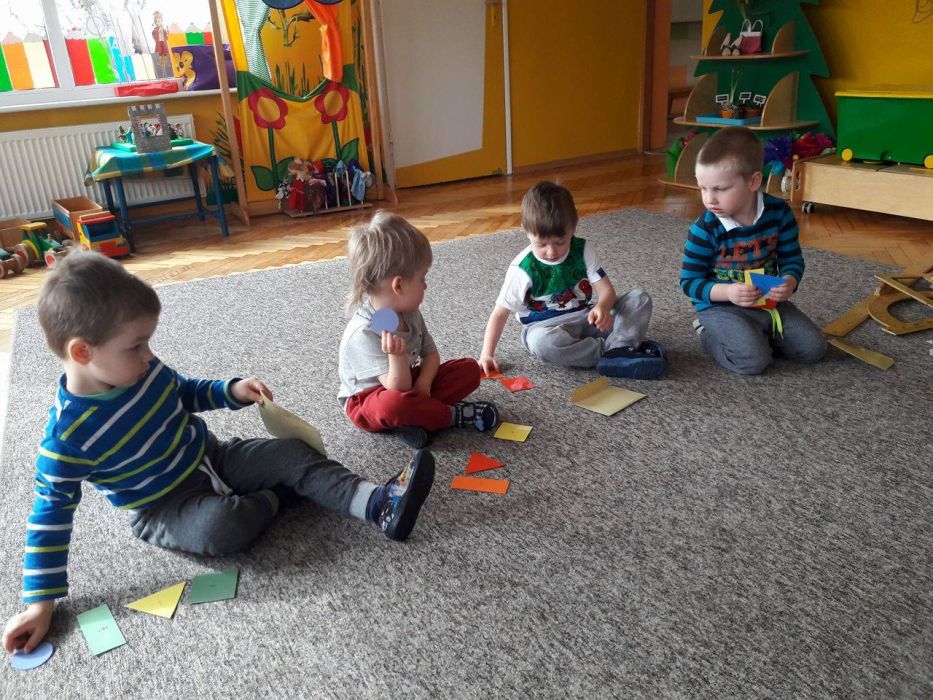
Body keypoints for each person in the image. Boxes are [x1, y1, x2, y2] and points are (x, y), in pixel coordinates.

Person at [2, 250, 435, 655]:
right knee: (223, 527)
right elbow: (49, 515)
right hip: (164, 509)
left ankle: (377, 504)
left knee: (292, 452)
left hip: (213, 457)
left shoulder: (142, 369)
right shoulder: (66, 439)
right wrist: (40, 605)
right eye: (135, 346)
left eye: (147, 343)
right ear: (82, 352)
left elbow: (184, 391)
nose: (149, 356)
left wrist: (231, 390)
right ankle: (279, 496)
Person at [338, 211, 499, 449]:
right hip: (370, 401)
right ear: (399, 285)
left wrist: (424, 385)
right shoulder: (363, 333)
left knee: (469, 370)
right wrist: (396, 356)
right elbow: (398, 388)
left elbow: (431, 355)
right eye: (422, 278)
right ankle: (449, 415)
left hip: (409, 384)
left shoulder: (409, 311)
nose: (426, 285)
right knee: (395, 405)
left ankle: (415, 419)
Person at [479, 181, 666, 379]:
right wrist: (486, 354)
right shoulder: (522, 269)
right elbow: (500, 313)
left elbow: (606, 291)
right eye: (541, 244)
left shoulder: (582, 249)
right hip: (545, 328)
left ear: (574, 226)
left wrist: (602, 307)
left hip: (587, 317)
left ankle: (620, 349)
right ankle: (614, 351)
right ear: (526, 229)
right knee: (543, 344)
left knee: (639, 299)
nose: (551, 252)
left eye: (560, 242)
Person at [680, 126, 826, 375]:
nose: (709, 199)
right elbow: (689, 282)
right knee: (753, 362)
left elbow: (792, 259)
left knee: (814, 349)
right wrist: (728, 292)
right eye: (703, 188)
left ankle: (756, 336)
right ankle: (707, 333)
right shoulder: (704, 229)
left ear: (754, 181)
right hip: (719, 306)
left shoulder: (779, 213)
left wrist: (789, 281)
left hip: (767, 303)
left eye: (720, 189)